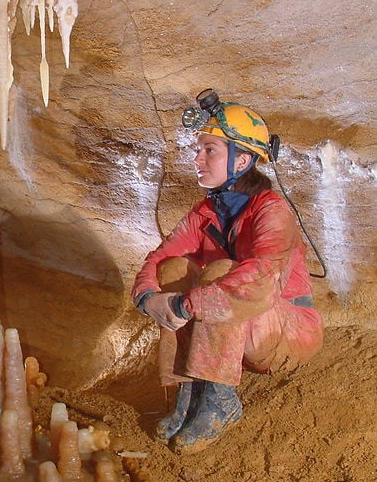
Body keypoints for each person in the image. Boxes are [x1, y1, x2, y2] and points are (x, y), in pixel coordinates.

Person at [132, 90, 323, 453]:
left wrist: (185, 306)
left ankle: (220, 402)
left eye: (210, 150)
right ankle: (186, 392)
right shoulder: (206, 211)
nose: (197, 158)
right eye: (198, 149)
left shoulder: (272, 211)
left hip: (289, 330)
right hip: (246, 324)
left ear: (241, 160)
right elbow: (159, 258)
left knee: (220, 272)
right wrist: (147, 297)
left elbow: (259, 281)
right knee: (175, 269)